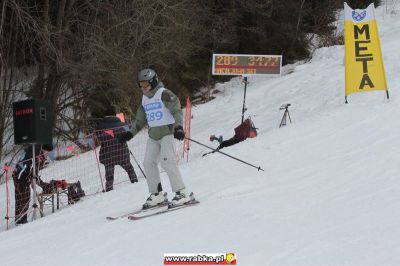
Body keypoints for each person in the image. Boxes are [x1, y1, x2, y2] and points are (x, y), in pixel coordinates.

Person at [117, 68, 191, 209]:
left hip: (168, 133)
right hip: (153, 136)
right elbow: (139, 121)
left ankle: (182, 192)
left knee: (167, 161)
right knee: (148, 163)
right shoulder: (145, 99)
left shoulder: (164, 93)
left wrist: (179, 127)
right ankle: (156, 194)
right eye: (141, 85)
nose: (143, 87)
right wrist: (129, 134)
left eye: (145, 84)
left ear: (153, 81)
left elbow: (176, 110)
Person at [95, 106, 138, 192]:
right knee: (129, 168)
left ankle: (109, 188)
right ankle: (135, 182)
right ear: (115, 114)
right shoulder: (122, 124)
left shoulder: (100, 126)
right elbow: (127, 134)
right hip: (122, 152)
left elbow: (99, 138)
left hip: (108, 154)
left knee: (109, 174)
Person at [12, 144, 52, 225]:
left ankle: (18, 219)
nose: (48, 154)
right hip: (21, 178)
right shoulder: (37, 157)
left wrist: (34, 181)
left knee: (20, 197)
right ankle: (22, 221)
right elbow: (34, 173)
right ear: (44, 150)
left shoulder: (32, 153)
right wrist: (42, 185)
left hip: (17, 176)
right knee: (24, 198)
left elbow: (33, 173)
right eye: (48, 152)